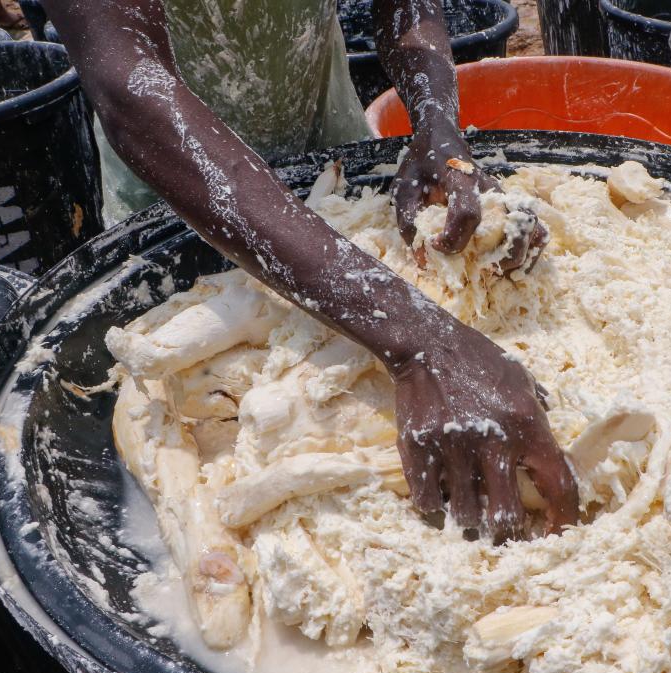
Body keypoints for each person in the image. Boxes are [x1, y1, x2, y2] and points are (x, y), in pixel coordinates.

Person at [41, 0, 579, 543]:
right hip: (176, 177)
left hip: (326, 133)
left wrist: (437, 127)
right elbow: (132, 85)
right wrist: (420, 341)